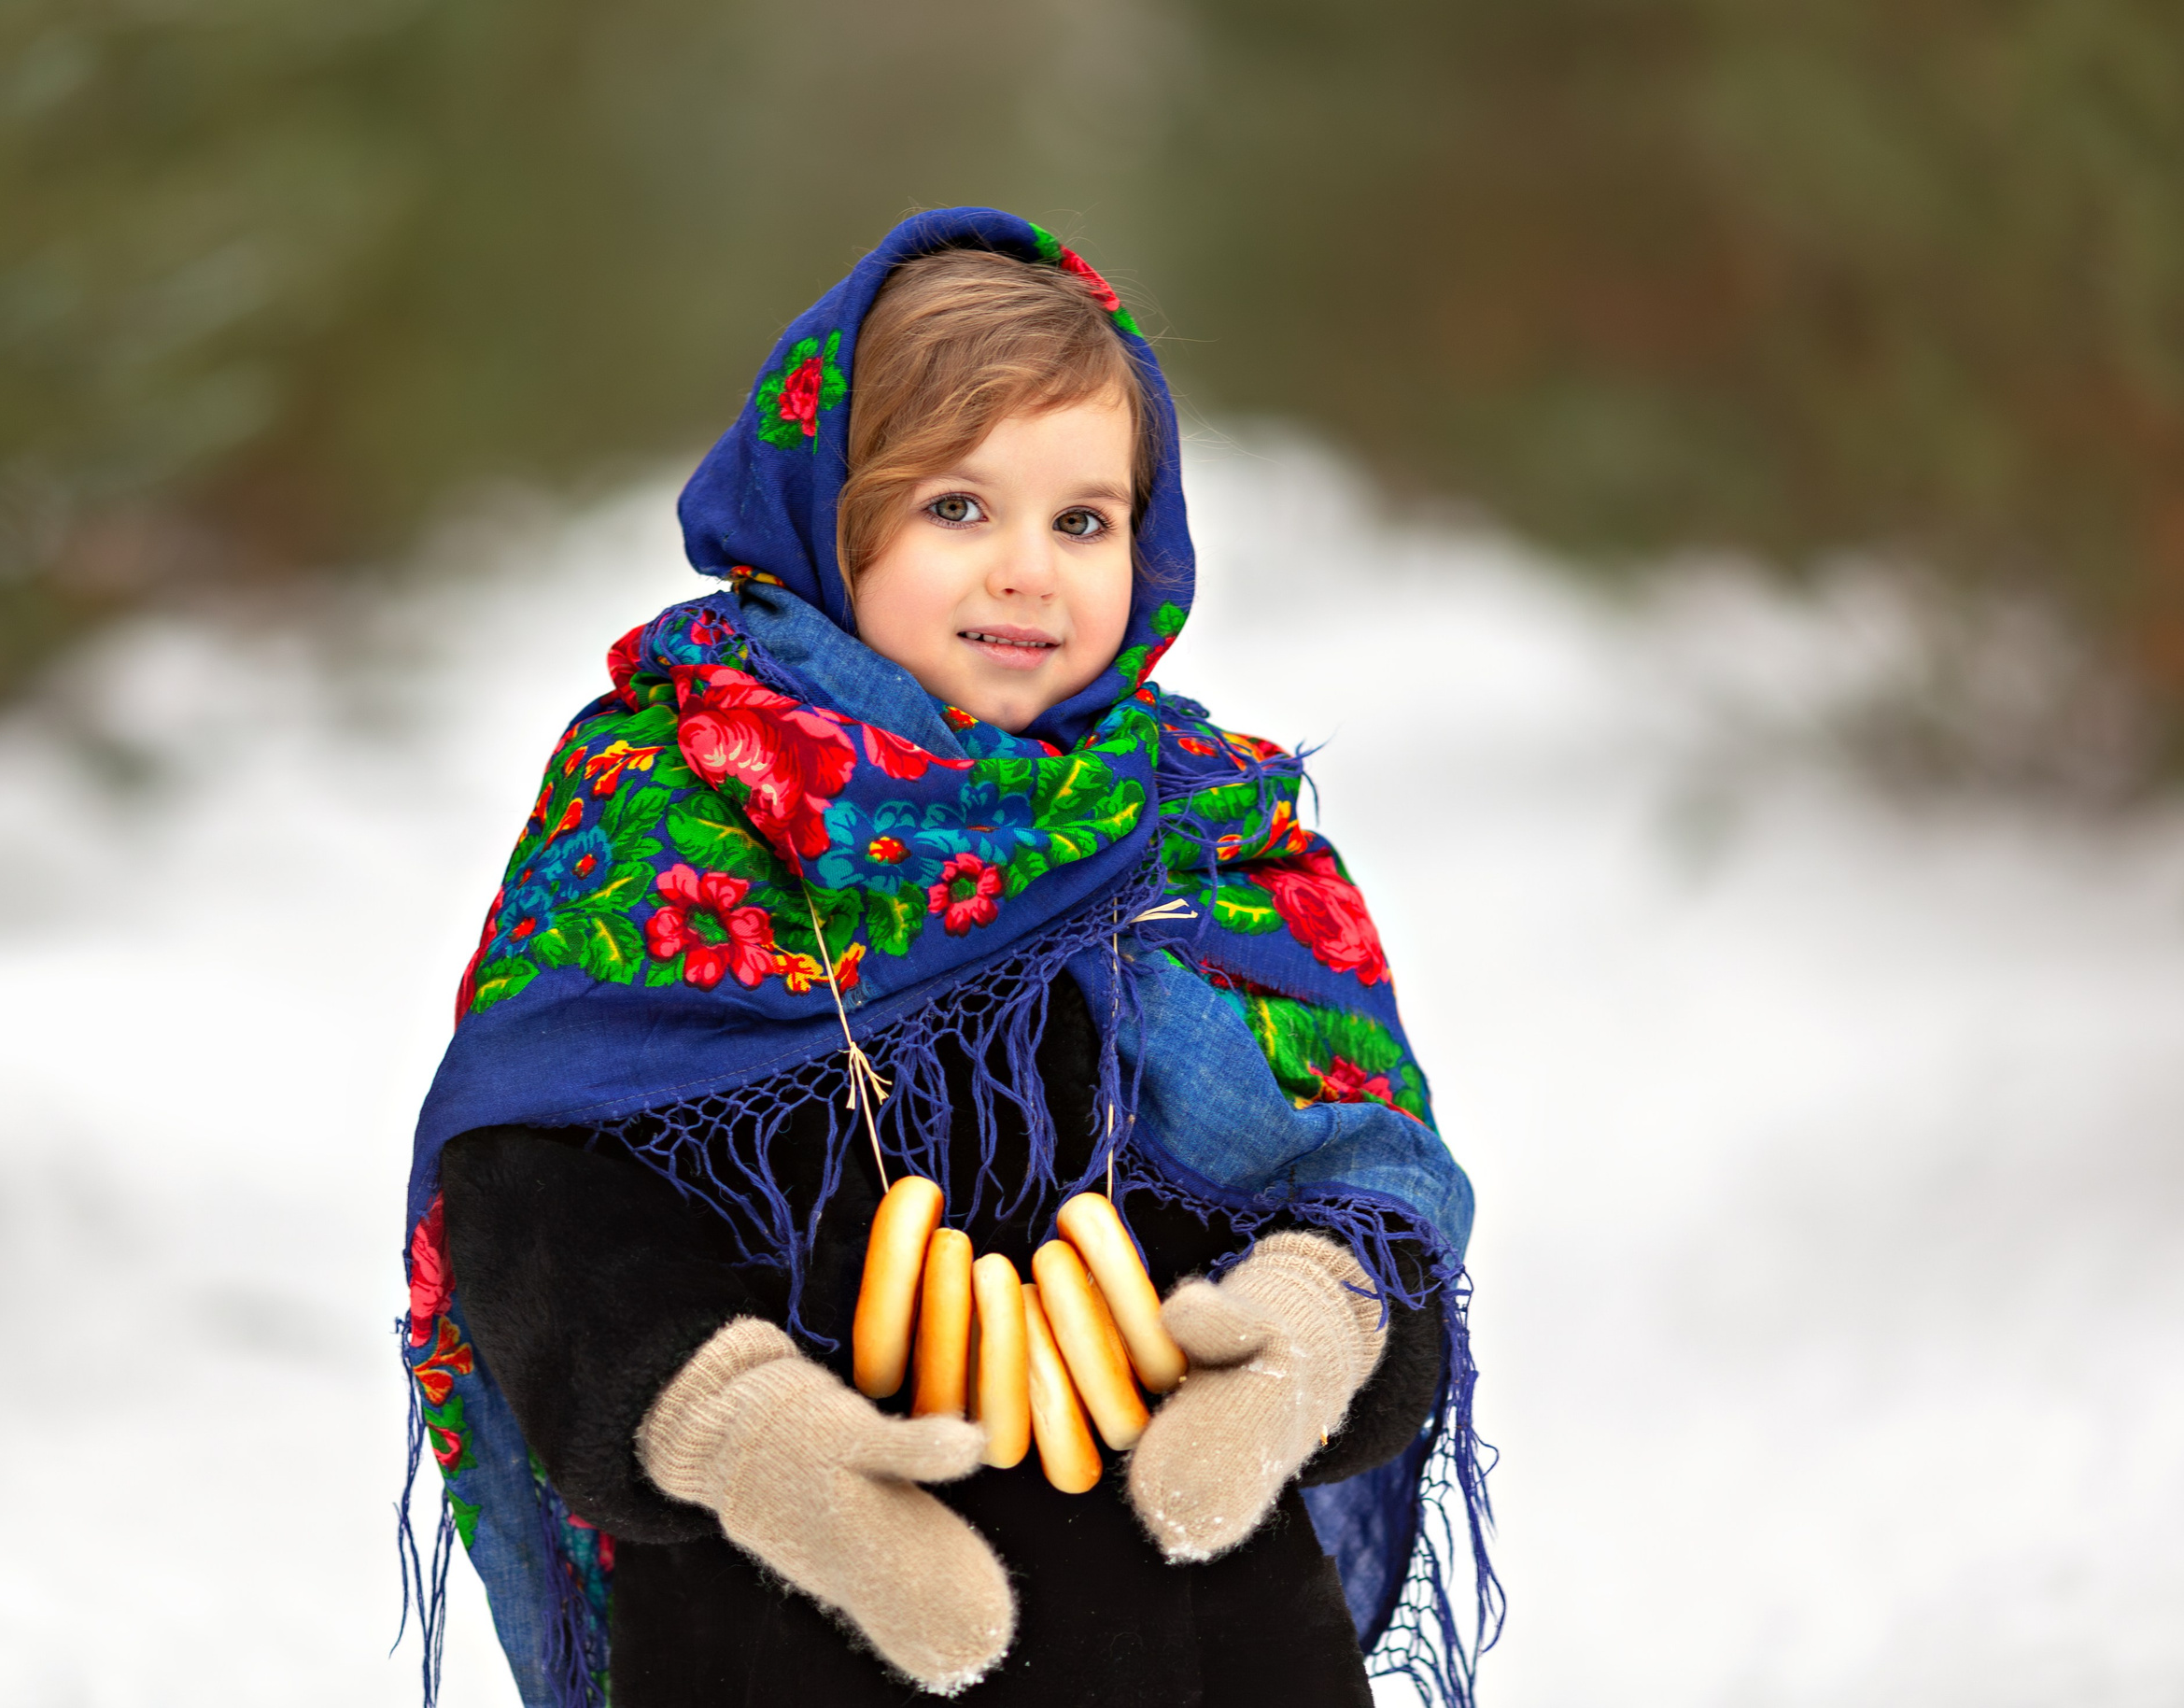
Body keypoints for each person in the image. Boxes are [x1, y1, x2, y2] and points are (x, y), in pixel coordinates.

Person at [399, 208, 1488, 1708]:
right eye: (959, 509)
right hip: (781, 1638)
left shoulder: (1204, 830)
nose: (1029, 573)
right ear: (826, 514)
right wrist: (736, 1427)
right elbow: (531, 1191)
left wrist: (1314, 1324)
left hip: (1194, 1643)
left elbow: (1367, 1177)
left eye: (1083, 520)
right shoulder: (677, 813)